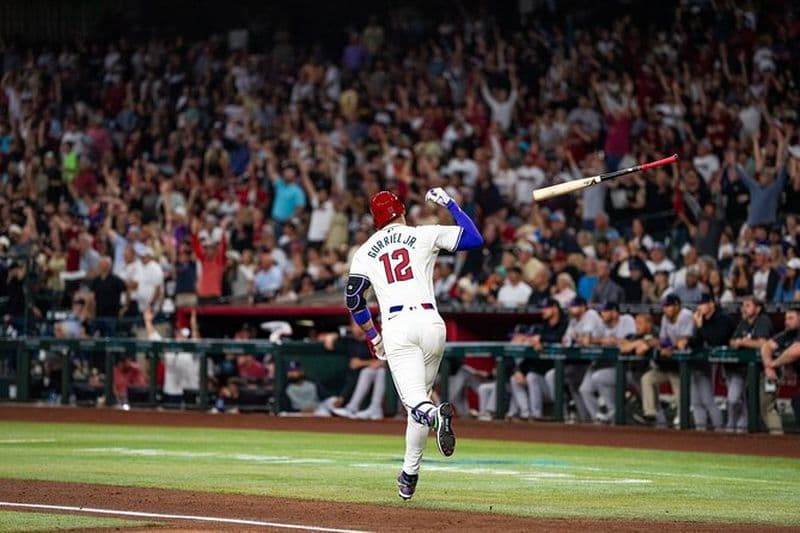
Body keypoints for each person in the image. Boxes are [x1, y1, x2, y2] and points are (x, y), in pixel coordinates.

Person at [344, 187, 483, 501]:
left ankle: (436, 417)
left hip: (398, 327)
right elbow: (474, 238)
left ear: (376, 220)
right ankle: (409, 475)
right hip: (432, 323)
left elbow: (354, 300)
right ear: (401, 211)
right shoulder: (423, 234)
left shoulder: (366, 250)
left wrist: (373, 337)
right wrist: (449, 203)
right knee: (417, 404)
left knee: (417, 406)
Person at [639, 294, 694, 426]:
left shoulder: (685, 315)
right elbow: (663, 339)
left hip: (685, 363)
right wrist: (663, 346)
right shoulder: (665, 318)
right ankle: (650, 413)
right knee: (647, 379)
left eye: (668, 306)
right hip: (669, 363)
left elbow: (684, 341)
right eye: (664, 306)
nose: (665, 309)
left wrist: (668, 346)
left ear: (677, 305)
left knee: (678, 387)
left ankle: (683, 419)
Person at [509, 297, 568, 419]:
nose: (543, 311)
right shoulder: (544, 326)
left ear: (555, 308)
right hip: (544, 376)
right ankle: (532, 415)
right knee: (527, 376)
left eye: (546, 308)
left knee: (549, 375)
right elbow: (534, 353)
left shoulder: (565, 323)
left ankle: (562, 414)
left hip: (564, 372)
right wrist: (519, 370)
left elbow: (559, 338)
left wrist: (542, 339)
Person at [579, 301, 635, 423]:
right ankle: (597, 419)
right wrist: (601, 340)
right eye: (600, 312)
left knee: (599, 377)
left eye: (604, 311)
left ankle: (613, 413)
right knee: (585, 389)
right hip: (601, 364)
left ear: (614, 312)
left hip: (624, 368)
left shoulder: (626, 320)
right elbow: (586, 341)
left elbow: (630, 341)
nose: (601, 314)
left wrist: (613, 340)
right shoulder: (601, 323)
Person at [689, 294, 734, 430]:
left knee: (708, 400)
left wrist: (700, 326)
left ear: (711, 304)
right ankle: (701, 431)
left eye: (702, 304)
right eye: (699, 304)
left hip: (731, 364)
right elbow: (695, 343)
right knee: (696, 401)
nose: (699, 307)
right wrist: (695, 327)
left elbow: (715, 341)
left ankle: (719, 429)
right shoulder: (701, 319)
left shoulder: (723, 318)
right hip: (703, 362)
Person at [728, 296, 773, 432]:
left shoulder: (763, 321)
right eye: (743, 305)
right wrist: (737, 342)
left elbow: (763, 343)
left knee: (762, 406)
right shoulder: (744, 322)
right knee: (733, 399)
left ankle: (772, 438)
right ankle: (734, 427)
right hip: (742, 368)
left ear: (758, 308)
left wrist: (743, 342)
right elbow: (732, 341)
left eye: (748, 305)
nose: (744, 308)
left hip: (761, 370)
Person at [559, 296, 605, 422]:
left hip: (602, 360)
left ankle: (596, 416)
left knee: (581, 385)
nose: (571, 309)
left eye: (574, 306)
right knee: (570, 380)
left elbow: (586, 341)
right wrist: (576, 339)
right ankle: (585, 417)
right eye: (571, 306)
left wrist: (578, 339)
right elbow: (565, 341)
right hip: (587, 361)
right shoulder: (574, 320)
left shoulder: (591, 314)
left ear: (583, 307)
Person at [760, 309, 800, 434]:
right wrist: (768, 366)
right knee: (797, 403)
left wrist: (774, 363)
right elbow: (766, 346)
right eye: (785, 318)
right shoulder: (788, 333)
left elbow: (796, 350)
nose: (786, 322)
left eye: (791, 318)